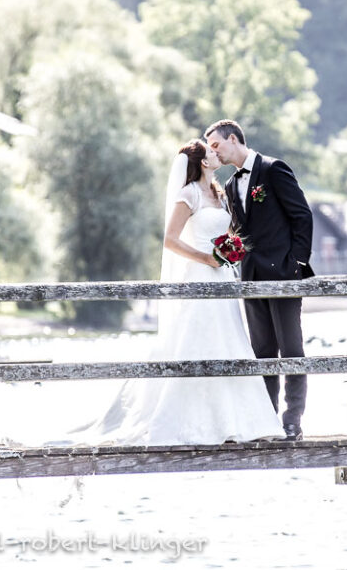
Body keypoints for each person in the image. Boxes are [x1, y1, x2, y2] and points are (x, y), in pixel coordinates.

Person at [67, 140, 283, 445]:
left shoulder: (219, 194)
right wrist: (206, 258)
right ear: (203, 162)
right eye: (210, 151)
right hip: (200, 274)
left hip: (223, 278)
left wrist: (229, 251)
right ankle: (195, 421)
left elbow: (227, 231)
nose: (215, 152)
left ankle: (239, 419)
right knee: (196, 340)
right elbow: (170, 240)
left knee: (229, 339)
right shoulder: (188, 194)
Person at [204, 120, 314, 441]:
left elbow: (301, 215)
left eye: (215, 145)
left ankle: (293, 419)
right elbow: (239, 232)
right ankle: (267, 418)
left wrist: (295, 263)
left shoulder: (273, 169)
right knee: (262, 350)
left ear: (233, 139)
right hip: (250, 279)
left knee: (291, 349)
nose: (214, 152)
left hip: (283, 275)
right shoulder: (230, 184)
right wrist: (225, 256)